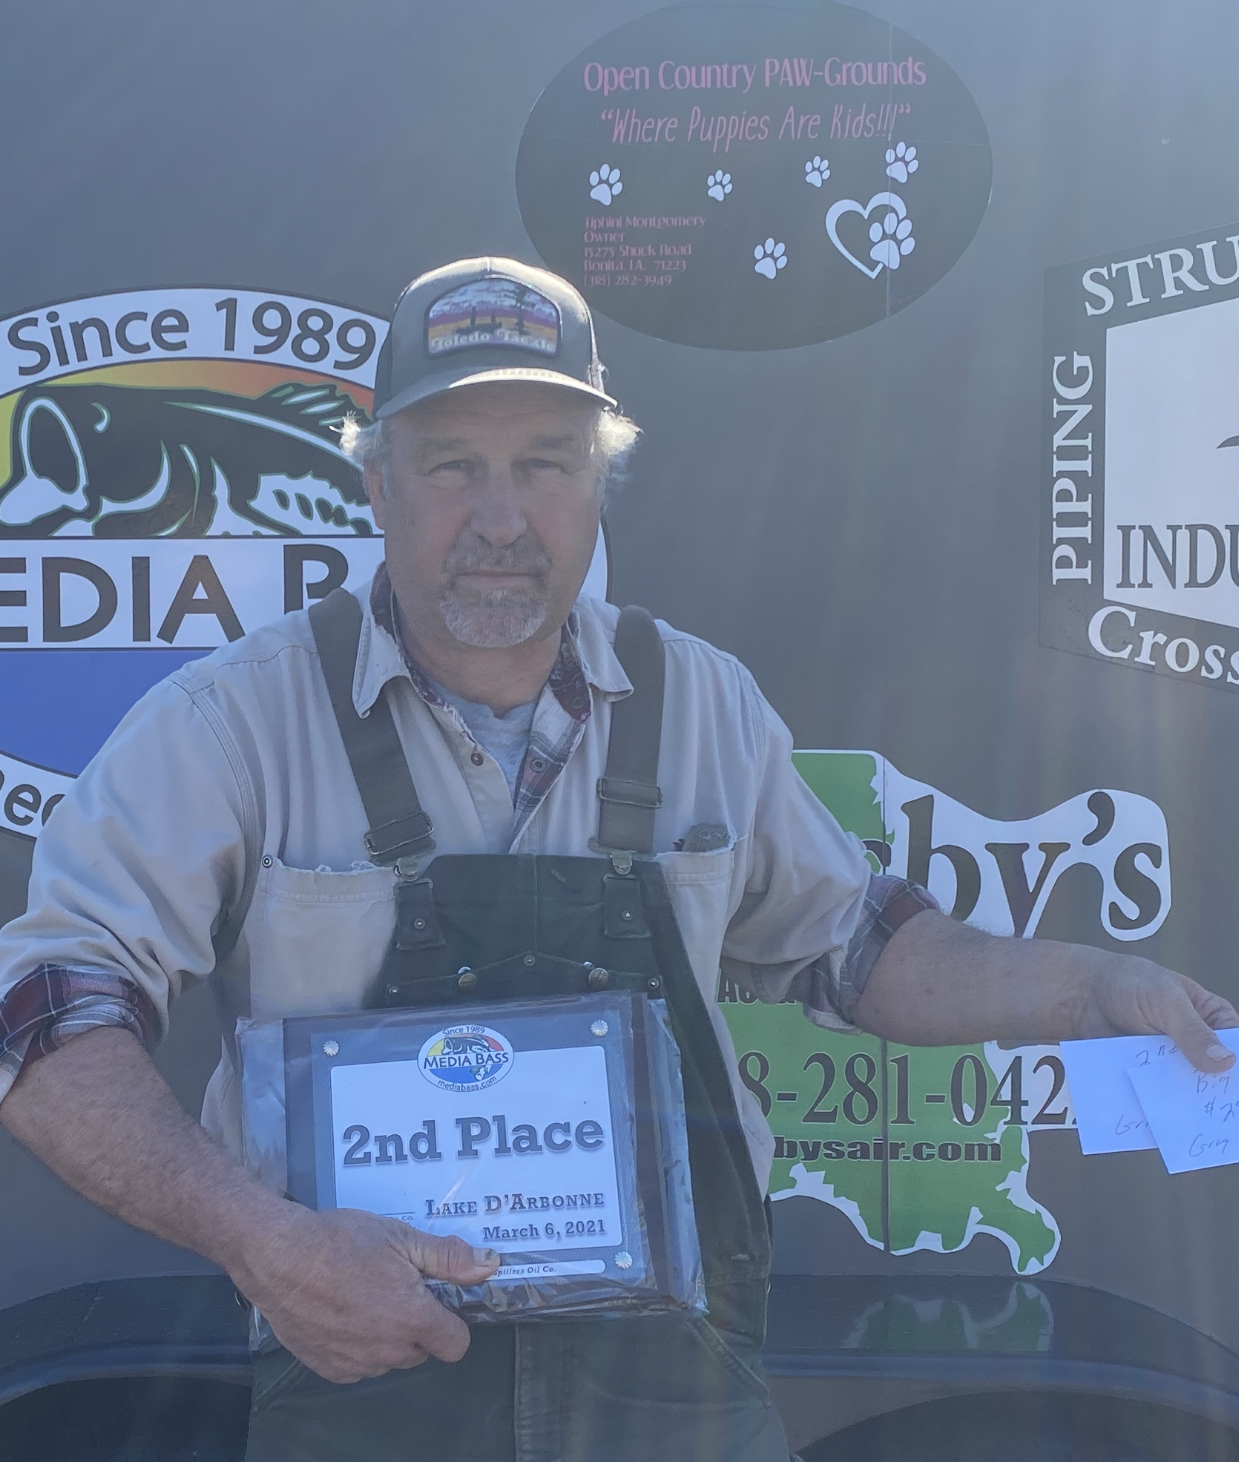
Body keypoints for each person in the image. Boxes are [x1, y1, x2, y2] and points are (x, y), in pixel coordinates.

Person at [0, 256, 1234, 1462]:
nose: (500, 519)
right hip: (365, 1370)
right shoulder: (233, 722)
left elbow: (859, 949)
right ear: (377, 483)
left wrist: (1097, 989)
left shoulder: (701, 701)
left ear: (601, 483)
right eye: (452, 465)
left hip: (676, 1391)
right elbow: (45, 1021)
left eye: (547, 463)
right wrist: (264, 1243)